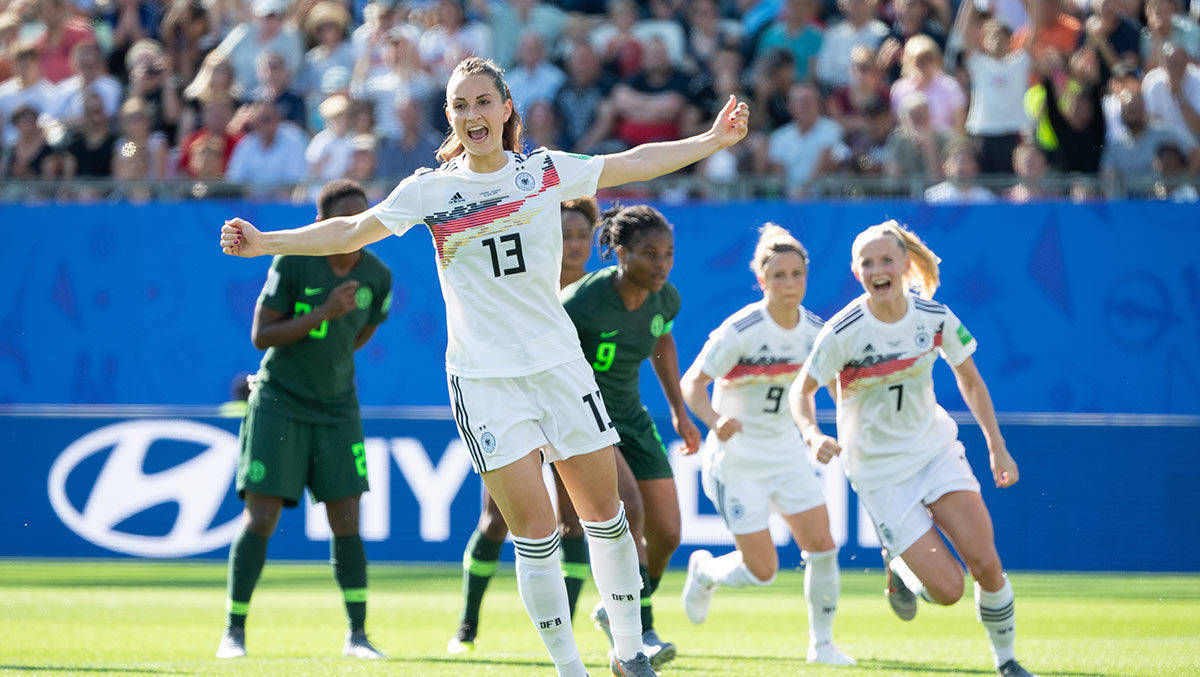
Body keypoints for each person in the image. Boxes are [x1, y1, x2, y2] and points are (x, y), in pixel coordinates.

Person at [220, 56, 750, 677]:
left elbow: (632, 165)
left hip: (560, 368)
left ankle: (629, 653)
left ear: (506, 111)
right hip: (484, 382)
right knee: (535, 534)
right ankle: (568, 668)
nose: (472, 115)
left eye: (482, 103)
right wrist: (268, 241)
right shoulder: (431, 191)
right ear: (450, 118)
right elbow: (351, 231)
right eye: (459, 106)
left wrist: (711, 141)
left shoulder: (546, 172)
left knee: (605, 518)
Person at [788, 220, 1035, 677]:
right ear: (856, 271)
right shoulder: (844, 331)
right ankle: (901, 568)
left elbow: (970, 380)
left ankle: (1007, 662)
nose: (878, 269)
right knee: (948, 590)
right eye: (867, 263)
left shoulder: (935, 317)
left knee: (987, 563)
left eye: (886, 260)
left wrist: (996, 446)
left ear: (904, 265)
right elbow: (800, 392)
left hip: (934, 452)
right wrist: (812, 433)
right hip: (880, 473)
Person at [216, 178, 393, 661]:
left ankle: (358, 635)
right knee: (262, 516)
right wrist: (325, 312)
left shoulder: (378, 276)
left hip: (337, 407)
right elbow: (261, 336)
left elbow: (360, 334)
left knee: (347, 520)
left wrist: (332, 345)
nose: (355, 229)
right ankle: (234, 631)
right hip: (280, 401)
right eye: (344, 220)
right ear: (322, 224)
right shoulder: (293, 261)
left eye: (362, 220)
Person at [677, 224, 854, 667]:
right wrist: (716, 421)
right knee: (763, 571)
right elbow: (692, 384)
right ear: (762, 280)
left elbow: (835, 389)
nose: (789, 284)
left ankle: (823, 646)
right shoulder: (741, 330)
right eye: (779, 276)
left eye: (797, 274)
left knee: (824, 548)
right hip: (737, 461)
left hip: (787, 455)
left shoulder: (817, 331)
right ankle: (704, 571)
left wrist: (827, 433)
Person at [446, 197, 600, 656]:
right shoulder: (520, 283)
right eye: (564, 234)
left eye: (581, 235)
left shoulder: (601, 293)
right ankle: (466, 626)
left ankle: (563, 636)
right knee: (496, 521)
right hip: (512, 407)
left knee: (575, 521)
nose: (572, 244)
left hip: (570, 411)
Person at [562, 204, 703, 671]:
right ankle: (639, 634)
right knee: (631, 513)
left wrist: (680, 412)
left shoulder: (667, 301)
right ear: (620, 254)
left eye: (668, 254)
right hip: (585, 421)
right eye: (649, 254)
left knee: (667, 533)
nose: (661, 263)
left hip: (632, 418)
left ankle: (617, 608)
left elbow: (662, 341)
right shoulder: (580, 302)